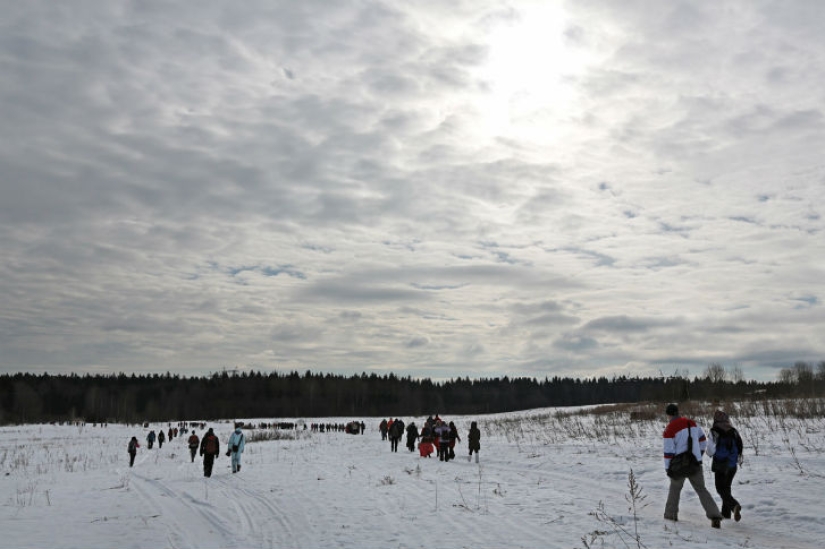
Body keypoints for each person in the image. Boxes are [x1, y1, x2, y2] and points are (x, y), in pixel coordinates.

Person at [663, 403, 723, 528]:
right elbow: (703, 441)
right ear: (678, 412)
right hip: (695, 463)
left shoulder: (669, 429)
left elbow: (669, 452)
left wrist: (668, 468)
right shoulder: (692, 423)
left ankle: (670, 515)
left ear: (668, 415)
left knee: (675, 489)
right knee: (701, 489)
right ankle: (715, 516)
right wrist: (698, 455)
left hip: (678, 466)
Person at [707, 410, 744, 522]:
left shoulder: (714, 432)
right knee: (726, 488)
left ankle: (734, 506)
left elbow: (710, 451)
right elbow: (740, 446)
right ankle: (726, 514)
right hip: (732, 465)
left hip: (721, 465)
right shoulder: (733, 431)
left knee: (720, 489)